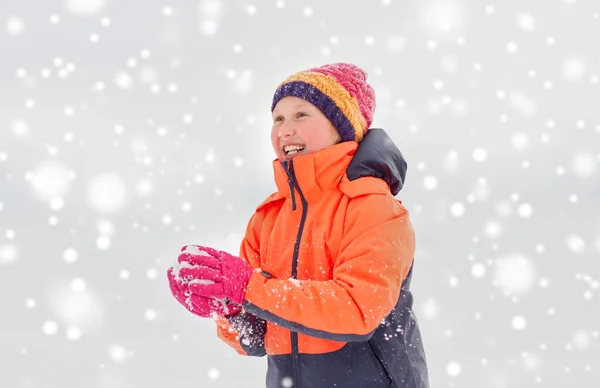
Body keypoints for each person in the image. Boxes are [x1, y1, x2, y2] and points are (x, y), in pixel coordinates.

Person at [167, 62, 430, 388]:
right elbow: (259, 338)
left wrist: (247, 287)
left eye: (301, 115)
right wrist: (229, 309)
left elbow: (356, 312)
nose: (284, 129)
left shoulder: (373, 208)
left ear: (342, 127)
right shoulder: (268, 218)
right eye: (277, 118)